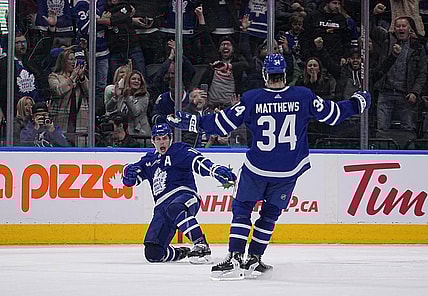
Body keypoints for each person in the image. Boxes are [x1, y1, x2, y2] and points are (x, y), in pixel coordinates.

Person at [167, 53, 371, 280]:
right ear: (285, 74)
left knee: (242, 209)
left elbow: (221, 124)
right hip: (288, 171)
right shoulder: (303, 95)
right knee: (270, 214)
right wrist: (358, 102)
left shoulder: (253, 98)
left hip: (258, 169)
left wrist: (193, 122)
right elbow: (333, 115)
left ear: (265, 74)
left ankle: (235, 257)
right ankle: (254, 258)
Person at [121, 123, 237, 264]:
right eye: (158, 139)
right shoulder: (148, 161)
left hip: (185, 196)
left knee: (174, 207)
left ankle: (201, 244)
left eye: (165, 138)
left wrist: (214, 170)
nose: (162, 142)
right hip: (161, 208)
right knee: (153, 253)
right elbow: (130, 178)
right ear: (152, 141)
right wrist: (127, 173)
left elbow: (198, 161)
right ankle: (180, 252)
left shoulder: (180, 150)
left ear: (170, 138)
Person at [48, 48, 89, 147]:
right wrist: (72, 78)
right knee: (61, 147)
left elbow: (90, 93)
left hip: (80, 120)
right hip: (62, 119)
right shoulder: (54, 77)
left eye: (74, 59)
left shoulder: (81, 77)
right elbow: (58, 91)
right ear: (63, 61)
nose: (74, 62)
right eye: (70, 59)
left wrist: (82, 78)